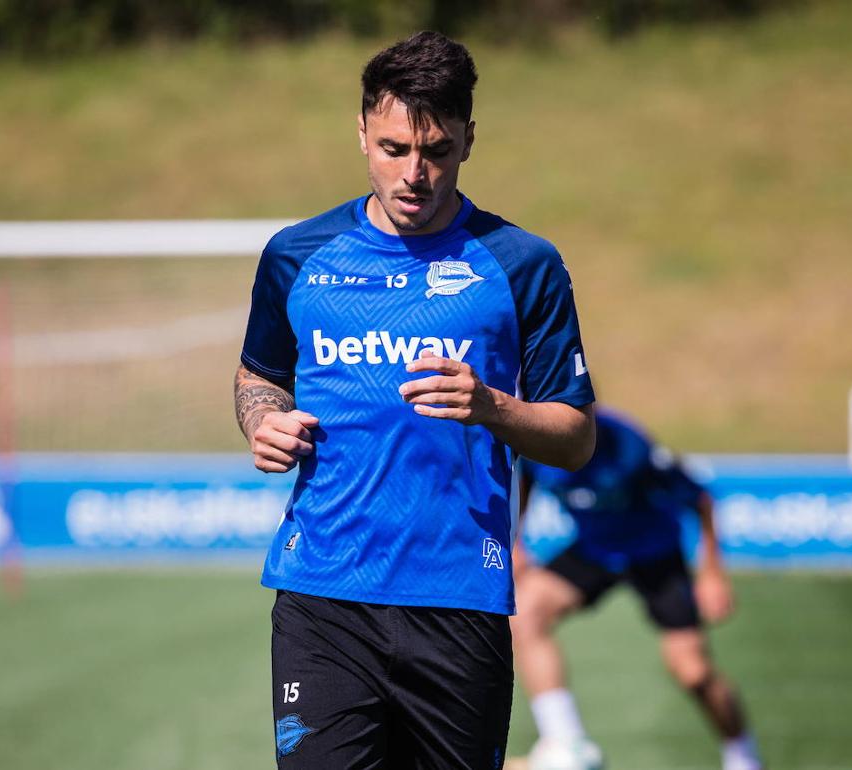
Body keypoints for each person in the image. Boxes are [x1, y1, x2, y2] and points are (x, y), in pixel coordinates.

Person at [234, 31, 597, 768]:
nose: (414, 173)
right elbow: (258, 375)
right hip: (324, 599)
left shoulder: (523, 264)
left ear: (469, 140)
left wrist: (493, 407)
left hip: (460, 600)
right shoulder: (296, 255)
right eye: (394, 148)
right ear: (361, 131)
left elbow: (576, 435)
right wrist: (264, 421)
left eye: (436, 150)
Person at [511, 409, 763, 770]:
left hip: (654, 554)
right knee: (526, 611)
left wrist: (712, 574)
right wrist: (516, 541)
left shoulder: (629, 445)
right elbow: (527, 480)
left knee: (693, 671)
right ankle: (567, 745)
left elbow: (699, 500)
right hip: (593, 549)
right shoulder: (536, 441)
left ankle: (744, 756)